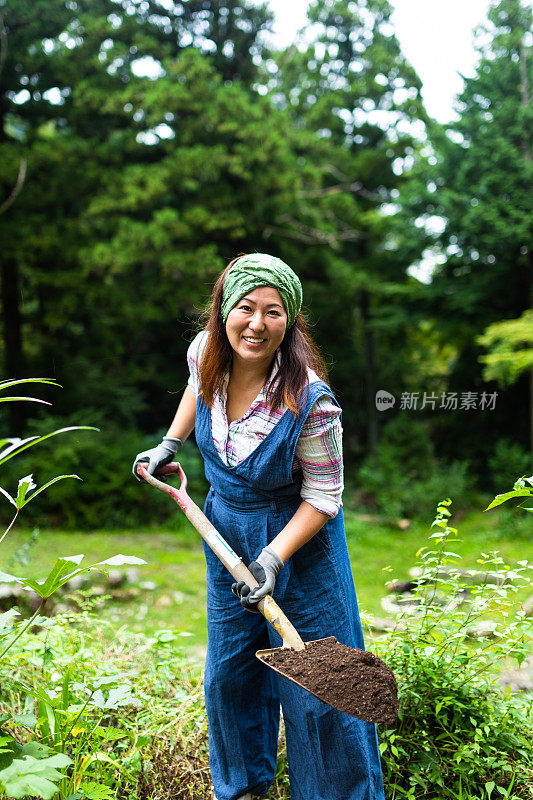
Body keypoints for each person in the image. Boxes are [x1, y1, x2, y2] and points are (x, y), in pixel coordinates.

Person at [133, 253, 385, 800]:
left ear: (290, 321)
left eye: (273, 312)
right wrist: (169, 444)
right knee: (229, 677)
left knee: (319, 691)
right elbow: (195, 390)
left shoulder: (311, 400)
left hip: (299, 542)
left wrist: (273, 557)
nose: (256, 324)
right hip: (225, 529)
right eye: (245, 308)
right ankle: (243, 789)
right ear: (224, 310)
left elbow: (324, 495)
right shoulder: (207, 354)